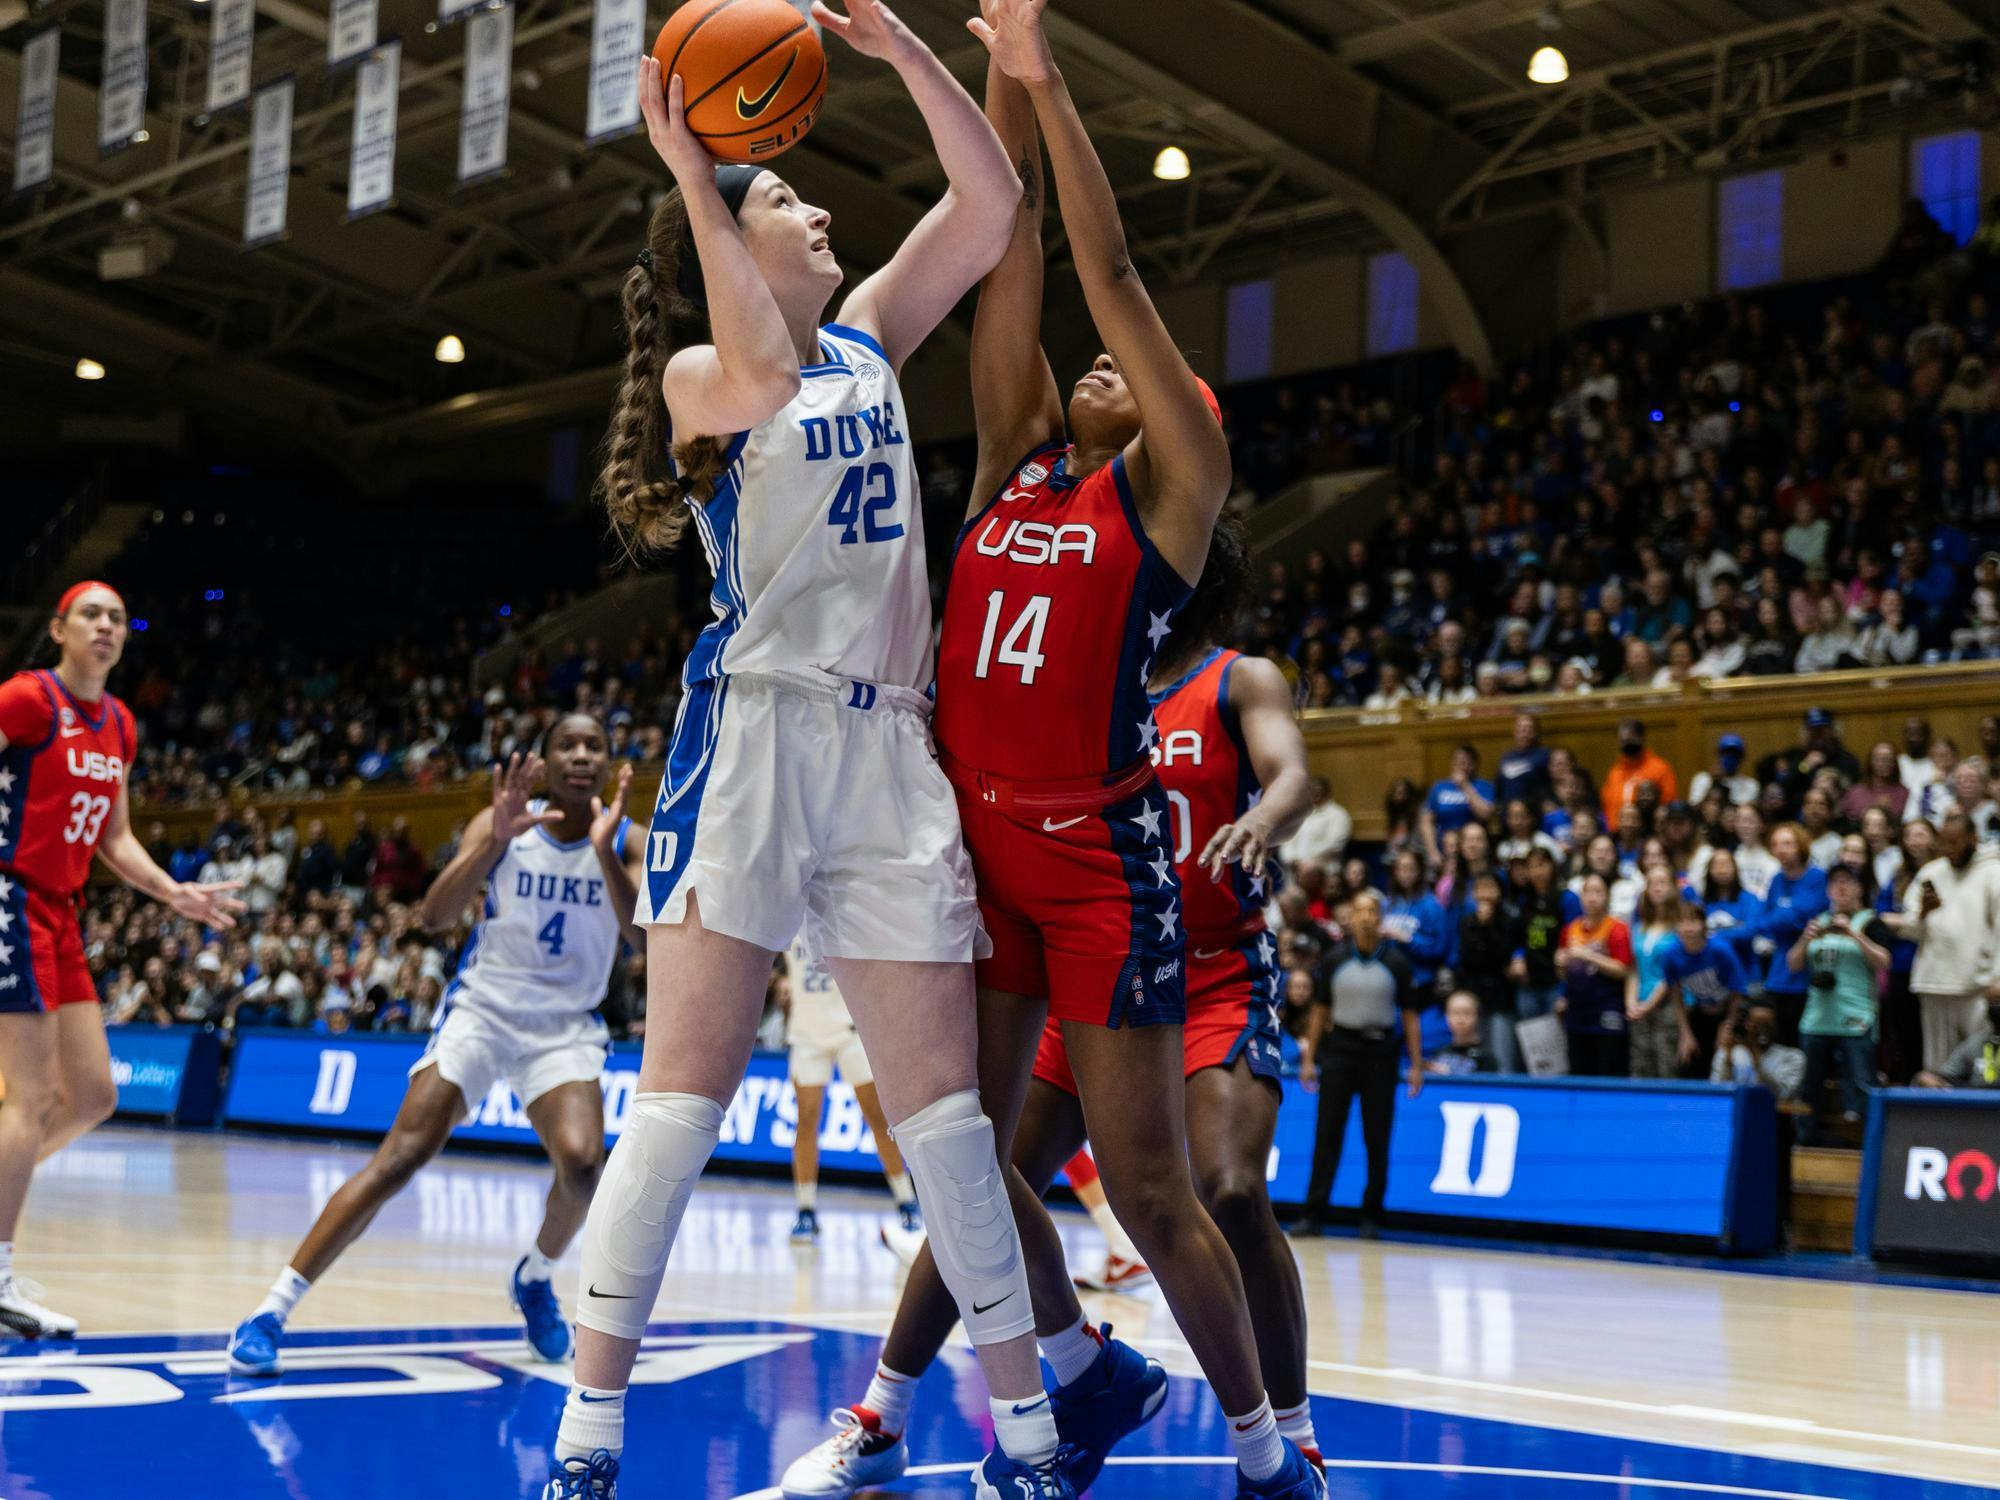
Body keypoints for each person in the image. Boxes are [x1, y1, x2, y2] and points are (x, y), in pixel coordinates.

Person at [801, 7, 1316, 1496]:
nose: (1099, 365)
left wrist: (1049, 71)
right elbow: (1002, 243)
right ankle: (1080, 1388)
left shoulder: (1165, 501)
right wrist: (984, 88)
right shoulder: (1014, 461)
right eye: (1090, 367)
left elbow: (1110, 269)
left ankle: (1269, 1454)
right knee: (965, 1158)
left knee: (1153, 1189)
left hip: (1099, 870)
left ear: (1171, 426)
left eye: (1132, 377)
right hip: (980, 859)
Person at [549, 10, 1061, 1495]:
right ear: (721, 229)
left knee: (952, 1128)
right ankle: (591, 1434)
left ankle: (1026, 1437)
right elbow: (764, 384)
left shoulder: (870, 340)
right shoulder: (707, 378)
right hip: (754, 740)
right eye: (785, 194)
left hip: (890, 747)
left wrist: (908, 52)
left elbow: (992, 210)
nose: (821, 203)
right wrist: (697, 176)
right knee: (683, 1107)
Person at [229, 722, 643, 1376]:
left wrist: (603, 854)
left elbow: (643, 940)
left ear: (609, 762)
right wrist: (490, 847)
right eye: (570, 744)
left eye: (595, 745)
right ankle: (269, 1311)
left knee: (585, 1166)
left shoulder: (626, 839)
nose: (584, 755)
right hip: (483, 1010)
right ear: (545, 761)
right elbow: (433, 917)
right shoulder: (501, 822)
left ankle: (535, 1278)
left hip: (564, 1026)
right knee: (402, 1157)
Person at [0, 581, 245, 1338]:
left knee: (95, 1095)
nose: (105, 627)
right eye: (90, 616)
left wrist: (176, 893)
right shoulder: (26, 699)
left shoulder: (120, 725)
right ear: (59, 628)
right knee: (32, 1096)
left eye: (116, 618)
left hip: (63, 911)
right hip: (11, 896)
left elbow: (115, 838)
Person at [1294, 892, 1425, 1236]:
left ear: (1381, 918)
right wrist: (1309, 1060)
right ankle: (1314, 1214)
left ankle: (1371, 1216)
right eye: (1360, 911)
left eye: (1372, 911)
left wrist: (1416, 1064)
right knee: (1327, 1135)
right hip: (1340, 1051)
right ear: (1350, 918)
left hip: (1380, 1053)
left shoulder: (1397, 962)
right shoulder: (1335, 959)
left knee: (1377, 1136)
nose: (1366, 917)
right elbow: (1319, 1011)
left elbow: (1410, 1017)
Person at [781, 938, 921, 1243]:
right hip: (806, 1034)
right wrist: (780, 980)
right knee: (806, 1120)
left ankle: (906, 1201)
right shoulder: (787, 915)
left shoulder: (839, 909)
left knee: (878, 1119)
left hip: (850, 1030)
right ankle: (805, 1210)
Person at [1787, 865, 1890, 1142]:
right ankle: (1807, 1142)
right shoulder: (1818, 921)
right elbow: (1793, 964)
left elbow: (1884, 961)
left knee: (1861, 1086)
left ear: (1859, 888)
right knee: (1809, 1088)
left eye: (1847, 882)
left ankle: (1868, 1148)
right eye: (1835, 883)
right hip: (1817, 1017)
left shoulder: (1870, 922)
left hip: (1856, 1017)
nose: (1841, 888)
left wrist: (1854, 935)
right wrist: (1804, 939)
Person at [1901, 811, 2000, 1073]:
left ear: (1973, 837)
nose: (1949, 850)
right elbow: (1909, 929)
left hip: (1978, 987)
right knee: (1936, 1070)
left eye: (1955, 842)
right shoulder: (1930, 873)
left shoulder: (1993, 873)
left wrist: (1998, 977)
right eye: (1944, 843)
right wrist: (1923, 912)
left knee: (1982, 1068)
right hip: (1934, 982)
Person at [1654, 902, 1748, 1076]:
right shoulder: (1671, 954)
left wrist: (1728, 1025)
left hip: (1729, 1012)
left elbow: (1738, 990)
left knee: (1727, 1064)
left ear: (1703, 924)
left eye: (1693, 921)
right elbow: (1675, 992)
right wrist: (1685, 1032)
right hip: (1700, 1012)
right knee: (1689, 1061)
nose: (1687, 928)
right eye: (1682, 922)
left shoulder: (1721, 950)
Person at [1558, 872, 1633, 1077]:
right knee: (1578, 1071)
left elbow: (1623, 970)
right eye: (1587, 892)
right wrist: (1560, 963)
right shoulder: (1570, 929)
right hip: (1576, 1013)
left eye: (1598, 892)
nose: (1592, 898)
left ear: (1607, 896)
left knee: (1609, 1071)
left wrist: (1589, 956)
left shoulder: (1617, 929)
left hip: (1608, 1012)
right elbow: (1564, 971)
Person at [1625, 867, 1685, 1079]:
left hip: (1668, 1007)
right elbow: (1634, 969)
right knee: (1640, 1070)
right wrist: (1631, 1003)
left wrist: (1649, 1005)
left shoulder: (1681, 927)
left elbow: (1673, 975)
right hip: (1640, 1007)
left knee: (1666, 1069)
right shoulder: (1640, 927)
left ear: (1673, 887)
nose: (1657, 888)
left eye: (1662, 882)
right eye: (1652, 883)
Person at [1710, 1003, 1805, 1101]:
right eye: (1756, 1026)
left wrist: (1756, 1056)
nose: (1761, 1031)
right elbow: (1717, 1089)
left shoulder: (1792, 1057)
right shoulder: (1730, 1052)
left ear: (1776, 1026)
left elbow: (1783, 1095)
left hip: (1773, 1115)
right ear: (1745, 1026)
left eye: (1766, 1026)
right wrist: (1728, 1058)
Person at [1419, 745, 1495, 867]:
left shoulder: (1483, 786)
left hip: (1472, 848)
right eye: (1457, 761)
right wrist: (1432, 851)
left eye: (1465, 761)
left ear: (1474, 764)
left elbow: (1485, 813)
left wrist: (1465, 785)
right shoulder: (1439, 787)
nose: (1461, 765)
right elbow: (1426, 821)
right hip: (1444, 848)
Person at [1600, 717, 1678, 823]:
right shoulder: (1615, 772)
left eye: (1630, 740)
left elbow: (1669, 804)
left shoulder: (1660, 768)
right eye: (1622, 741)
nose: (1626, 744)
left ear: (1641, 738)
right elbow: (1607, 804)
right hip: (1617, 833)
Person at [1913, 997, 2000, 1089]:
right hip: (1979, 1098)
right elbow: (1947, 1075)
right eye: (1995, 1002)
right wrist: (1931, 1079)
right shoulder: (1976, 1041)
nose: (1997, 1006)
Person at [1278, 775, 1351, 869]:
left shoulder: (1338, 814)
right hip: (1296, 870)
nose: (1315, 794)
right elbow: (1286, 841)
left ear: (1327, 792)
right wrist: (1291, 859)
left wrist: (1307, 861)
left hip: (1324, 870)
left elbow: (1335, 844)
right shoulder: (1299, 814)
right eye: (1312, 791)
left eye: (1318, 790)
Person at [1428, 989, 1497, 1074]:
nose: (1460, 1019)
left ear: (1477, 1016)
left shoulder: (1486, 1057)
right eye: (1455, 1013)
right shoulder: (1440, 1054)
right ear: (1446, 1016)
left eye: (1467, 1013)